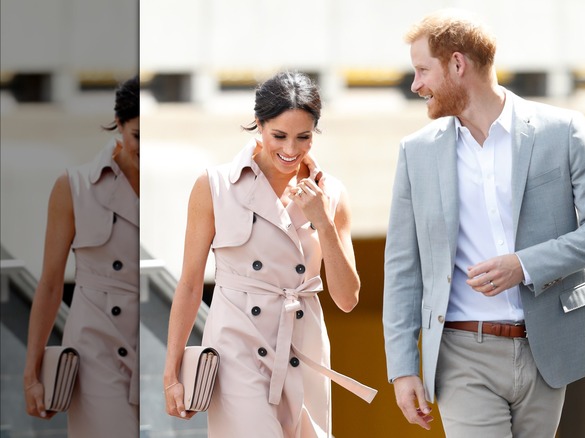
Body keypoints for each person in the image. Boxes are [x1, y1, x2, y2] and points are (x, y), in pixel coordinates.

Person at [383, 10, 585, 437]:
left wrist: (524, 264)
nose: (416, 84)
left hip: (546, 347)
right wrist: (403, 368)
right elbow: (403, 267)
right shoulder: (416, 153)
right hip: (462, 353)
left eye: (423, 70)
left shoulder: (562, 130)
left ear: (457, 64)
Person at [163, 71, 375, 437]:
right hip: (235, 349)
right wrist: (172, 373)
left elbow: (347, 299)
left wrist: (323, 223)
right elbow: (190, 283)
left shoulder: (332, 195)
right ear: (258, 125)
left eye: (303, 137)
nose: (291, 150)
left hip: (302, 346)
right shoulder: (214, 186)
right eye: (279, 136)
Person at [23, 76, 140, 437]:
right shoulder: (73, 186)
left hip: (149, 342)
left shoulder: (183, 187)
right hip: (95, 348)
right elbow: (51, 282)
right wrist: (32, 375)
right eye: (138, 135)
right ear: (119, 125)